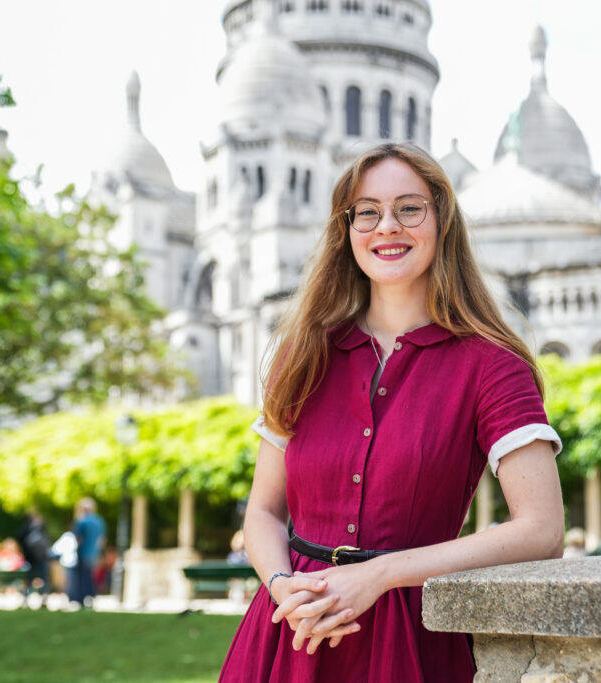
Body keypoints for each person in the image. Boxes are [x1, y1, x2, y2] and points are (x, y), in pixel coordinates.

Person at [219, 143, 564, 682]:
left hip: (410, 643)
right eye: (367, 212)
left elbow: (542, 529)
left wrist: (380, 575)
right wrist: (283, 586)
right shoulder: (304, 352)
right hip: (290, 633)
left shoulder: (493, 365)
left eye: (409, 208)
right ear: (346, 229)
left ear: (440, 221)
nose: (388, 227)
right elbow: (264, 512)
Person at [72, 497, 106, 607]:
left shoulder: (82, 521)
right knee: (91, 576)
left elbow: (78, 539)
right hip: (94, 554)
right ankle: (91, 597)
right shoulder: (99, 521)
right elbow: (102, 540)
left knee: (83, 577)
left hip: (83, 553)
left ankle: (82, 599)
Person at [16, 512, 53, 599]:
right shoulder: (32, 529)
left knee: (36, 578)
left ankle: (40, 595)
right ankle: (37, 595)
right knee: (35, 578)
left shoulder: (38, 529)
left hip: (34, 558)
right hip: (33, 558)